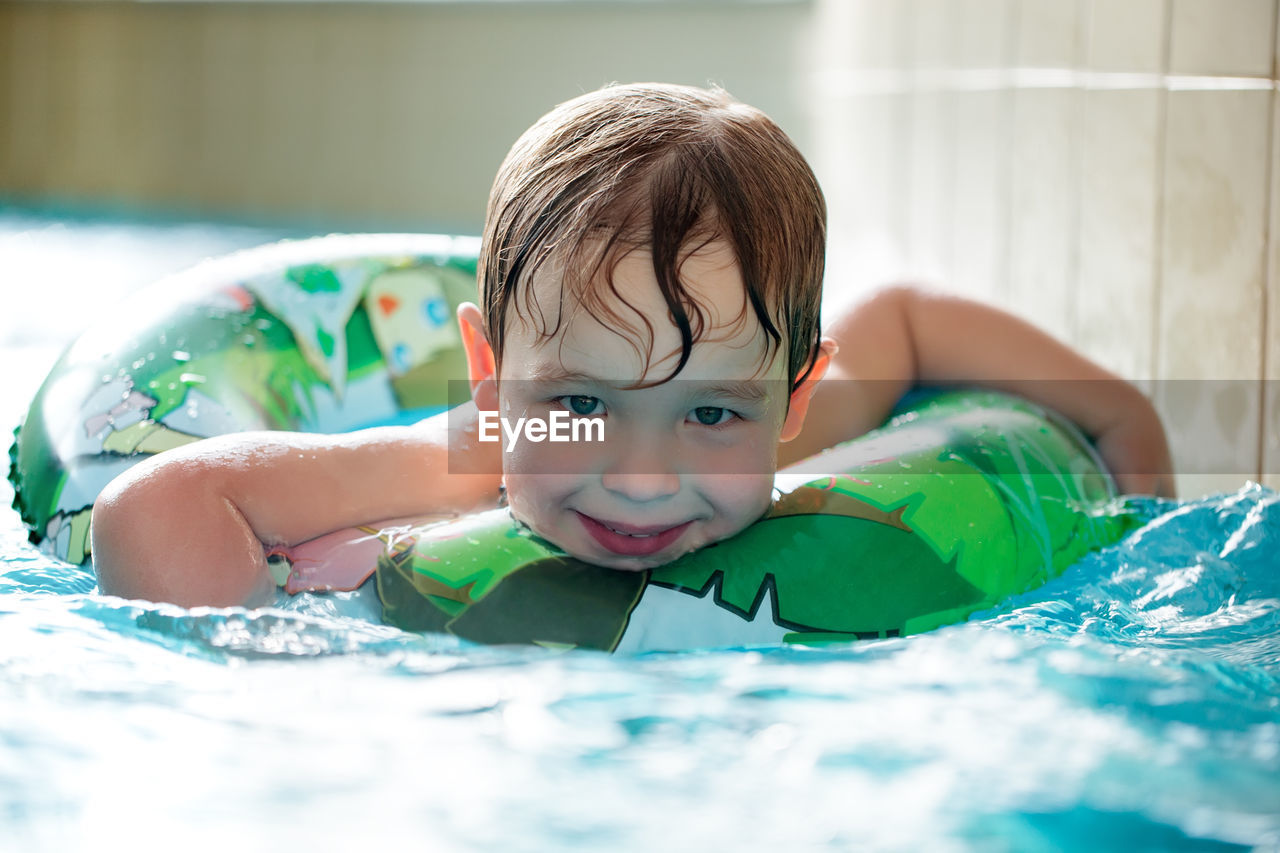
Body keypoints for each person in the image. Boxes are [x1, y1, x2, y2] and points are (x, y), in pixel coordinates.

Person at [90, 83, 1173, 608]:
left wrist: (1121, 420)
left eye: (708, 412)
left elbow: (899, 318)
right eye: (582, 406)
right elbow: (154, 504)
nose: (643, 475)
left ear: (792, 402)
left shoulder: (798, 432)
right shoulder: (461, 459)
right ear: (490, 377)